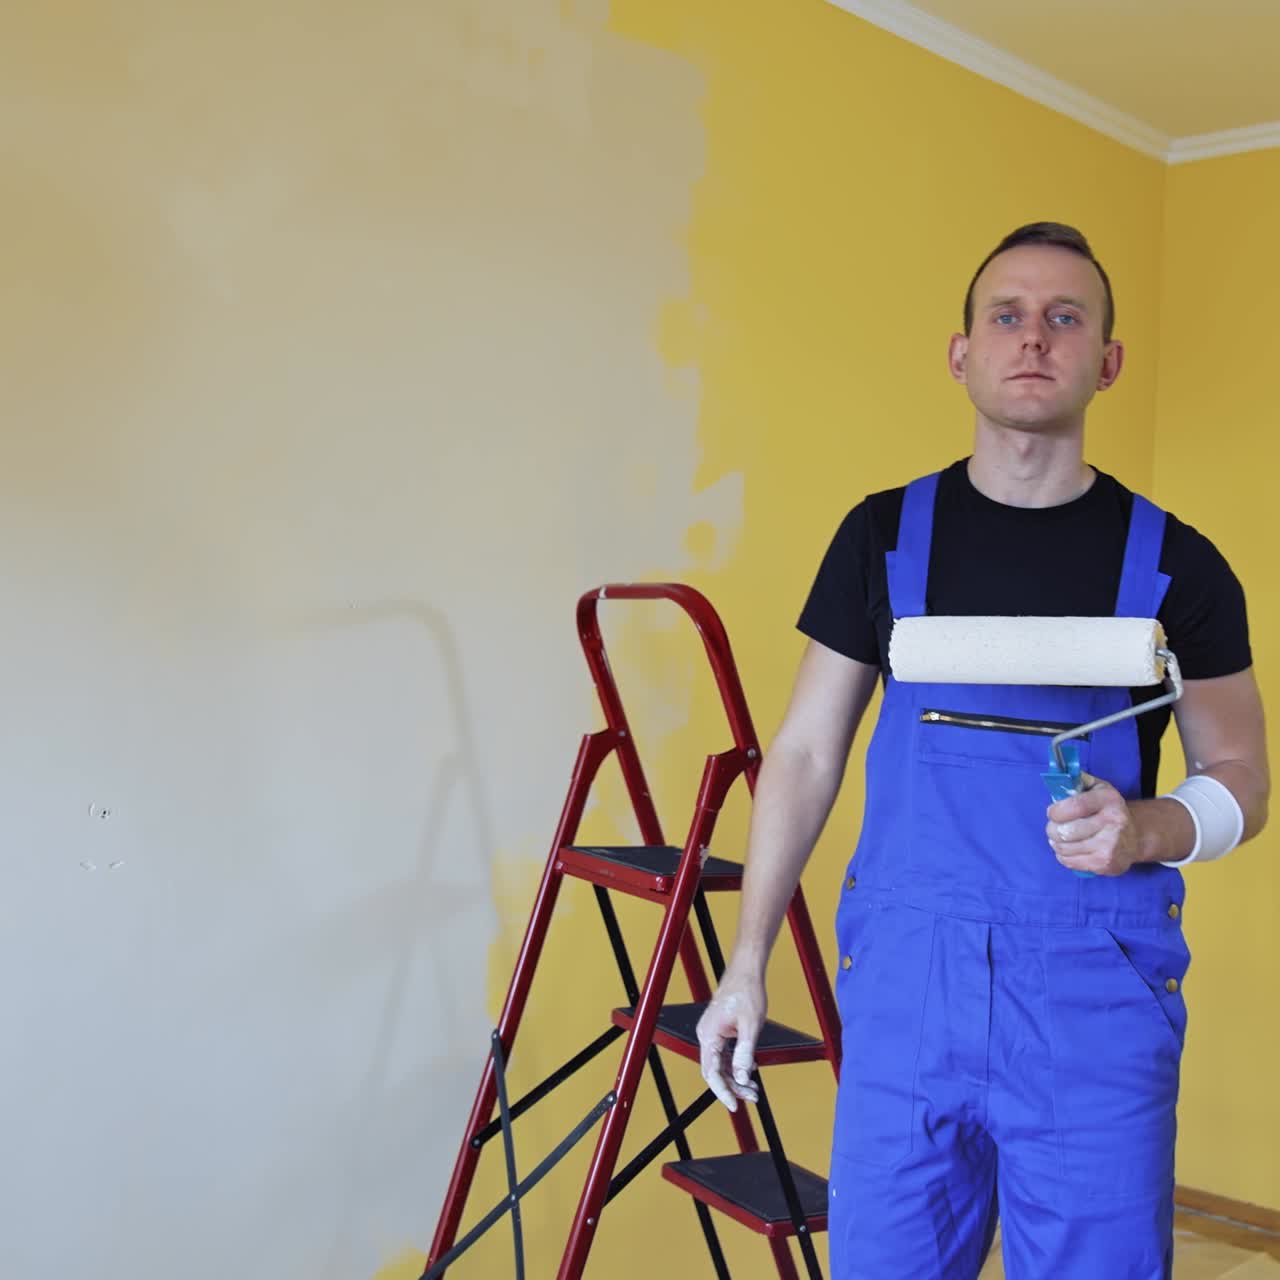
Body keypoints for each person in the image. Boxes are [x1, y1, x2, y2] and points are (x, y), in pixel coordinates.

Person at [695, 222, 1270, 1279]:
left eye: (1065, 317)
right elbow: (806, 754)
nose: (1032, 338)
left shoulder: (1179, 567)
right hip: (908, 991)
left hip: (1092, 996)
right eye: (1004, 315)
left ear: (1106, 361)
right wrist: (744, 961)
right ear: (959, 351)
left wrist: (1147, 825)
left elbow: (1241, 776)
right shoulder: (878, 537)